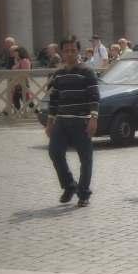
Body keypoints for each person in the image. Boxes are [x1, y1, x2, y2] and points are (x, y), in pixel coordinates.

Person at [45, 38, 99, 207]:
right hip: (61, 121)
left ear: (78, 51)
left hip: (81, 121)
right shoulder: (58, 74)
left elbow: (94, 97)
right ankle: (69, 185)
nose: (69, 53)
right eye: (66, 50)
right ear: (61, 52)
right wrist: (49, 122)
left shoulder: (87, 72)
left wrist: (93, 119)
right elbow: (54, 100)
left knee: (85, 158)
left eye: (73, 50)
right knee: (54, 152)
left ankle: (84, 193)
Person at [10, 46, 32, 111]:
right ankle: (17, 112)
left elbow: (25, 73)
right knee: (16, 99)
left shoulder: (25, 61)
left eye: (16, 54)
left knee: (27, 100)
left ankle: (36, 112)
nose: (15, 55)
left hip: (22, 84)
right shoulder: (18, 61)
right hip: (16, 84)